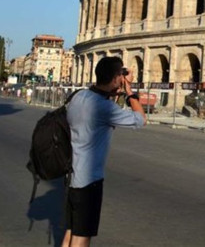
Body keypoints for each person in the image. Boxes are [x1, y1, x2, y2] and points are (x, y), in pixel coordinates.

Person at [62, 56, 145, 246]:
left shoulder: (79, 96)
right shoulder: (103, 107)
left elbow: (103, 104)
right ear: (116, 78)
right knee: (81, 238)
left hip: (72, 175)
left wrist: (116, 89)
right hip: (89, 181)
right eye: (120, 75)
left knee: (70, 233)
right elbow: (140, 119)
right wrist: (129, 91)